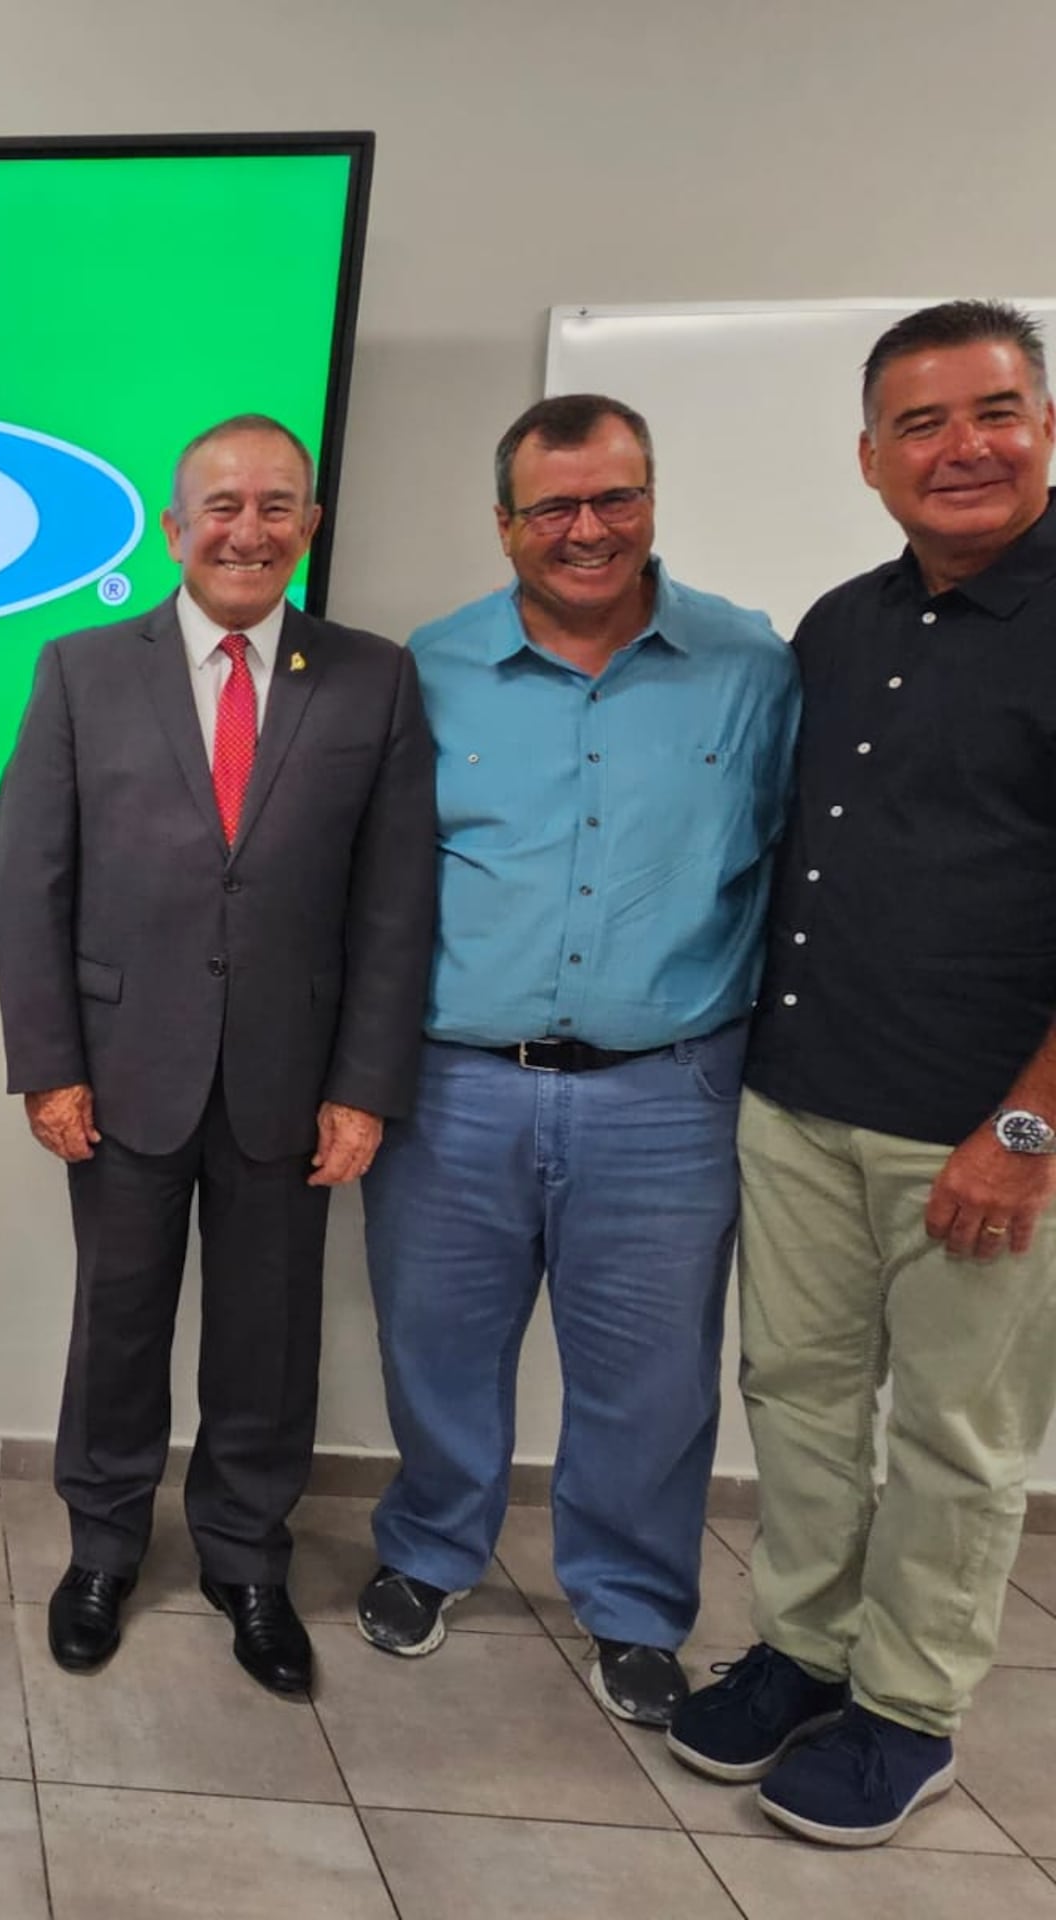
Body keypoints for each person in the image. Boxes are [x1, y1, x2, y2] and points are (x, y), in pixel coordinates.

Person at [668, 301, 1056, 1846]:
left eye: (995, 411)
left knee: (957, 1435)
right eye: (921, 423)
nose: (961, 447)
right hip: (805, 1096)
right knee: (803, 1400)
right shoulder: (840, 625)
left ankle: (909, 1710)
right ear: (870, 456)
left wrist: (1027, 1126)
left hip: (985, 1125)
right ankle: (807, 1652)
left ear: (1044, 425)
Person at [352, 395, 798, 1728]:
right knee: (438, 1347)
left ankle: (632, 1606)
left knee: (652, 1377)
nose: (587, 530)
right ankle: (431, 1549)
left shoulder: (753, 667)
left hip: (666, 1095)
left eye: (615, 498)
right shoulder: (429, 671)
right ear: (506, 526)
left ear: (652, 499)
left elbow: (790, 867)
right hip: (455, 1084)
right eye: (553, 508)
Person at [0, 414, 435, 1696]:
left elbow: (393, 904)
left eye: (277, 505)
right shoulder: (81, 669)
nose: (250, 529)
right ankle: (103, 1548)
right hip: (122, 1072)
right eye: (223, 506)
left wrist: (362, 1087)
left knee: (268, 1335)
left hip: (292, 1088)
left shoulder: (371, 678)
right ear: (175, 528)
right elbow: (33, 884)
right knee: (117, 1325)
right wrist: (47, 1064)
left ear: (309, 525)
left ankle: (247, 1558)